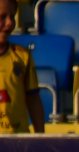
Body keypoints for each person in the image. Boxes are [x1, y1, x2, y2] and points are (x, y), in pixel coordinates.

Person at [0, 0, 45, 134]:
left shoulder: (22, 56)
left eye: (12, 16)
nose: (9, 23)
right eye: (2, 17)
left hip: (17, 140)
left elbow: (33, 100)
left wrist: (40, 137)